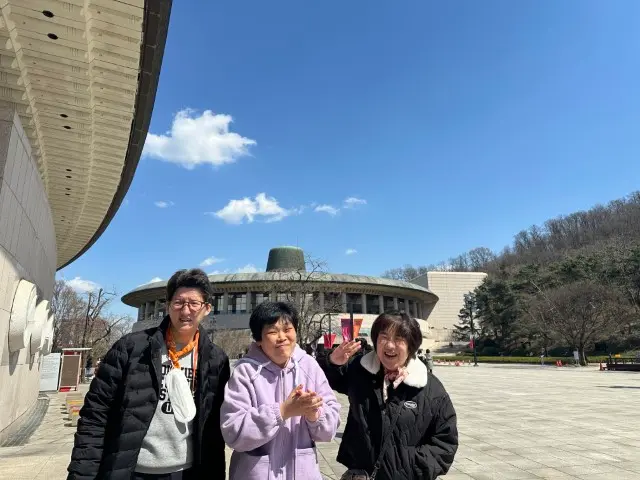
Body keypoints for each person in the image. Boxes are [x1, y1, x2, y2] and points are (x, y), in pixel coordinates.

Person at [67, 269, 230, 480]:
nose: (185, 310)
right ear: (167, 305)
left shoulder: (216, 360)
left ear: (207, 308)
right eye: (178, 302)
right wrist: (82, 474)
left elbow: (215, 429)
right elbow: (95, 415)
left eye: (194, 303)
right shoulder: (131, 349)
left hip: (187, 473)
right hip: (131, 471)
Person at [321, 311, 458, 480]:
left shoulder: (430, 388)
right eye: (384, 337)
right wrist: (332, 363)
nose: (390, 345)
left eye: (399, 339)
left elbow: (445, 442)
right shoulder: (360, 370)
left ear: (411, 345)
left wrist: (409, 468)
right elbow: (323, 381)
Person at [221, 301, 341, 480]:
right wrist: (283, 411)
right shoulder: (245, 372)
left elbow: (329, 430)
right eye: (272, 332)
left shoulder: (309, 366)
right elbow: (233, 432)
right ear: (259, 339)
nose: (282, 337)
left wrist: (314, 414)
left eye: (287, 329)